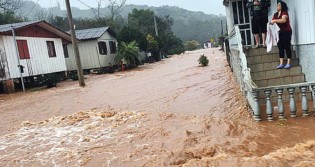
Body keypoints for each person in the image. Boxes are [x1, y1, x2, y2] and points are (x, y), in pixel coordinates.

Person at [271, 1, 292, 69]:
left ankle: (288, 63)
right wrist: (270, 22)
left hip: (286, 32)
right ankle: (281, 63)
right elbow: (272, 21)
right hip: (279, 33)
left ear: (282, 6)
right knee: (280, 48)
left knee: (287, 46)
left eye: (279, 5)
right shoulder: (275, 14)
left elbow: (283, 20)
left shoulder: (284, 13)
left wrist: (274, 21)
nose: (277, 6)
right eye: (277, 5)